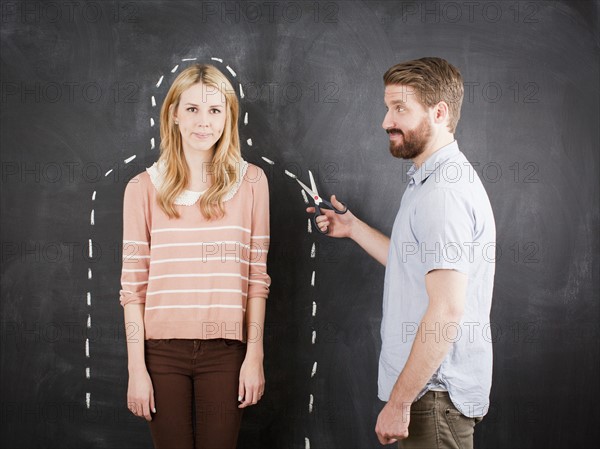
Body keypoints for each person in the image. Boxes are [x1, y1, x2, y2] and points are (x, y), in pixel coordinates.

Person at [308, 57, 496, 448]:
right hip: (430, 400)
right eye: (387, 107)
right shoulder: (430, 181)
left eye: (400, 109)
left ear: (439, 113)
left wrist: (399, 401)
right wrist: (354, 229)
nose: (385, 121)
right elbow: (417, 265)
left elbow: (447, 309)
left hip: (432, 400)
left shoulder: (443, 192)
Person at [119, 64, 271, 449]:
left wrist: (254, 357)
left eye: (215, 110)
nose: (204, 122)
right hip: (160, 354)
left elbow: (257, 280)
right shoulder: (140, 189)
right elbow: (132, 290)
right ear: (173, 113)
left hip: (226, 353)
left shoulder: (251, 183)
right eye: (192, 109)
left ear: (228, 117)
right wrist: (136, 369)